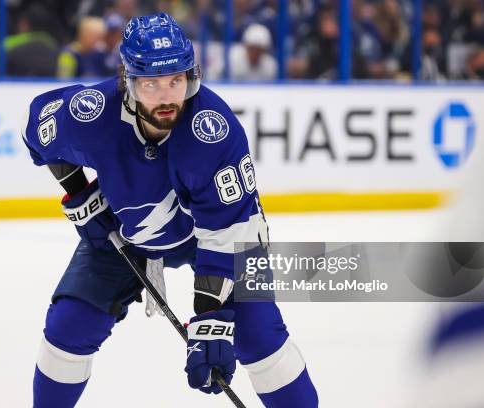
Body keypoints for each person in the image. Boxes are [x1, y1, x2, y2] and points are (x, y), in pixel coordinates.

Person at [22, 13, 318, 407]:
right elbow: (37, 133)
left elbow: (230, 231)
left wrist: (211, 319)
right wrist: (79, 194)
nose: (167, 97)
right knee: (68, 326)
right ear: (127, 79)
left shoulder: (214, 131)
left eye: (176, 80)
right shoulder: (92, 113)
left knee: (259, 338)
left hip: (224, 238)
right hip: (129, 230)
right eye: (152, 83)